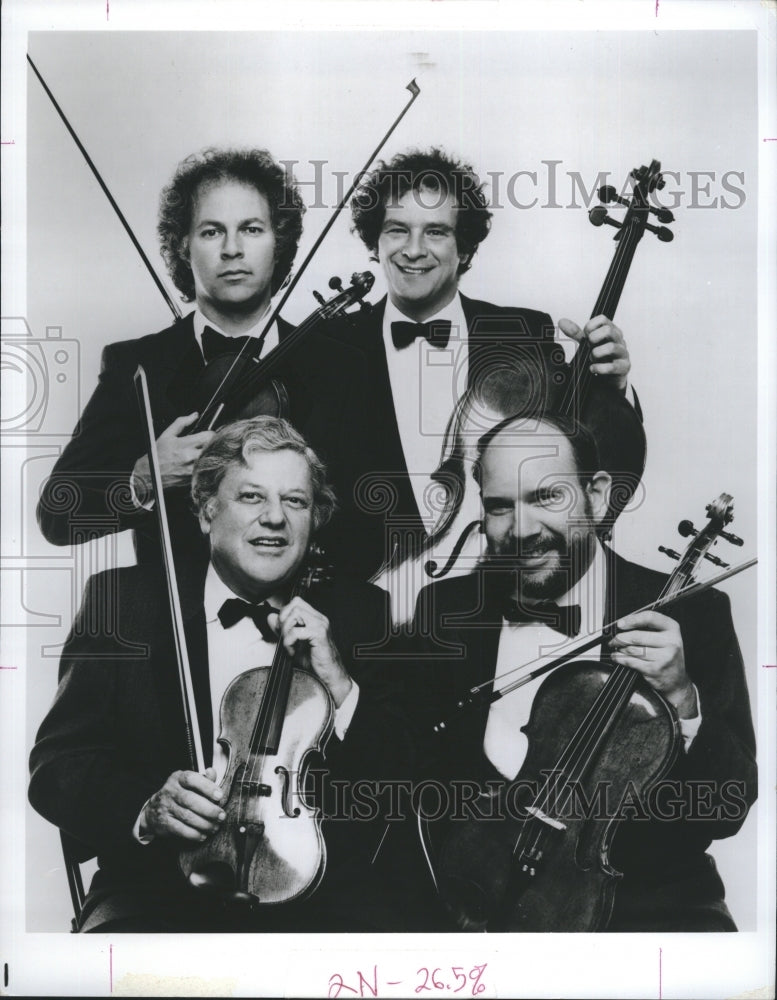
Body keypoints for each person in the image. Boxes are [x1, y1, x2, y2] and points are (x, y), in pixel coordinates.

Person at [29, 416, 410, 932]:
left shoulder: (362, 612)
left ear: (315, 519)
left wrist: (340, 685)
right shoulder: (123, 604)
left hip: (318, 897)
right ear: (207, 511)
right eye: (251, 497)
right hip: (152, 891)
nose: (275, 518)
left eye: (295, 501)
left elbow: (400, 782)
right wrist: (147, 809)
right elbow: (59, 766)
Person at [404, 412, 756, 932]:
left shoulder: (690, 613)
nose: (520, 530)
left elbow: (725, 810)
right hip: (479, 900)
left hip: (643, 906)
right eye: (500, 506)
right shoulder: (445, 610)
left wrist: (683, 702)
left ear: (596, 495)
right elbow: (412, 774)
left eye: (546, 497)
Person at [36, 148, 368, 575]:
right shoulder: (137, 366)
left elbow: (371, 521)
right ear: (184, 246)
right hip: (175, 629)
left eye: (251, 228)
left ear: (278, 241)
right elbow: (58, 515)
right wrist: (145, 477)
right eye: (212, 232)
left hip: (308, 620)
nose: (232, 249)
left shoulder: (341, 365)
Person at [331, 147, 641, 583]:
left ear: (464, 248)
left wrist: (612, 387)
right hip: (364, 609)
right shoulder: (329, 349)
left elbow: (586, 451)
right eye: (397, 230)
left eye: (436, 232)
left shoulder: (524, 334)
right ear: (375, 240)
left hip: (502, 601)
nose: (413, 250)